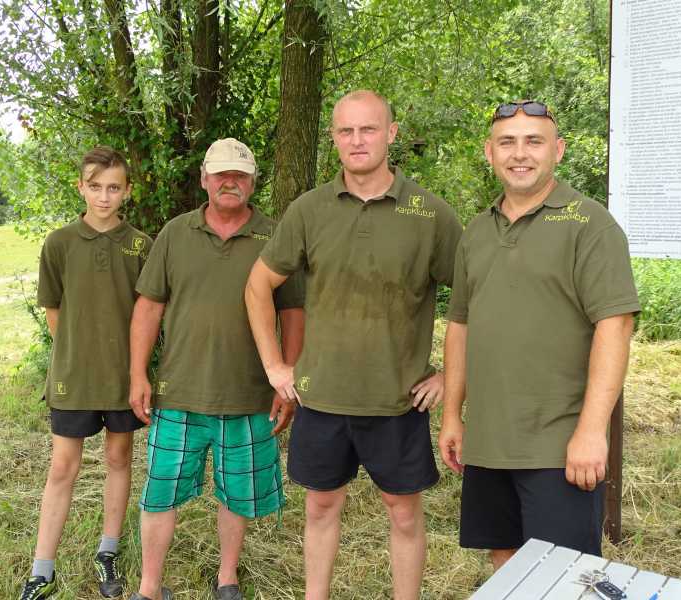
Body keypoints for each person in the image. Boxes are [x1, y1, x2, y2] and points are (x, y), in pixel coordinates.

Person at [245, 90, 463, 600]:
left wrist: (450, 375)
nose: (357, 140)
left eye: (369, 129)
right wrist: (275, 366)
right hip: (321, 397)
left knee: (403, 513)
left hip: (397, 400)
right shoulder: (309, 210)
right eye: (346, 130)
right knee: (321, 507)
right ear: (334, 138)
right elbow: (257, 286)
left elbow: (475, 301)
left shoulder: (430, 214)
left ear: (391, 134)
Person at [438, 101, 640, 571]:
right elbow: (460, 325)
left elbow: (616, 325)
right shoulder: (477, 231)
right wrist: (451, 416)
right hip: (488, 441)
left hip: (559, 444)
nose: (519, 153)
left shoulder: (590, 224)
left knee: (562, 574)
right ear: (489, 152)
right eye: (507, 142)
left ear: (558, 150)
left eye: (534, 141)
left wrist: (591, 431)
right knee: (504, 558)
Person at [127, 138, 304, 600]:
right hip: (178, 391)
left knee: (237, 494)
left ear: (253, 182)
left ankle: (227, 579)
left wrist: (286, 380)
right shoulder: (175, 233)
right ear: (204, 179)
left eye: (239, 175)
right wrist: (138, 374)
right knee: (160, 492)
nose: (230, 182)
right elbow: (149, 306)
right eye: (221, 174)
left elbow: (293, 313)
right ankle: (149, 587)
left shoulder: (276, 236)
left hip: (249, 394)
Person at [20, 147, 153, 600]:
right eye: (95, 187)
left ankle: (107, 551)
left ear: (127, 191)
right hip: (73, 377)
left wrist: (134, 369)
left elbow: (148, 312)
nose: (104, 196)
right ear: (81, 187)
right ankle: (42, 569)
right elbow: (54, 311)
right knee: (63, 467)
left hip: (123, 376)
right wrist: (78, 355)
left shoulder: (141, 245)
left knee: (119, 458)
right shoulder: (59, 243)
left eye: (113, 187)